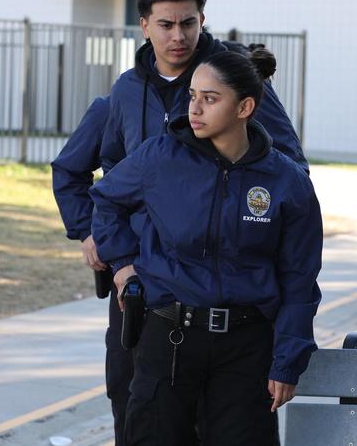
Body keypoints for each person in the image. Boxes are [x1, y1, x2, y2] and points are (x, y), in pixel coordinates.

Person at [52, 0, 307, 445]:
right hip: (142, 284)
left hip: (224, 295)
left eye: (188, 23)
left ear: (202, 20)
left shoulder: (233, 78)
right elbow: (89, 178)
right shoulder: (126, 92)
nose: (178, 36)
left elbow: (289, 174)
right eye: (166, 25)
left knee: (220, 425)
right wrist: (100, 241)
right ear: (144, 26)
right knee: (135, 406)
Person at [90, 48, 323, 445]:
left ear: (245, 107)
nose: (194, 108)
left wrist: (286, 362)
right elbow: (106, 200)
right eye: (192, 96)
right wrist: (124, 265)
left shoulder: (287, 182)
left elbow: (300, 280)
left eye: (210, 99)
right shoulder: (160, 157)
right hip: (168, 337)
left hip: (246, 348)